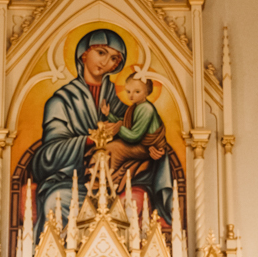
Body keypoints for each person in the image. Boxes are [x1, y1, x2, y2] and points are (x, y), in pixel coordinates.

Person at [28, 30, 172, 237]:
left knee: (133, 203)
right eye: (101, 53)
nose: (106, 62)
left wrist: (154, 151)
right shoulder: (60, 102)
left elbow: (142, 133)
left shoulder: (125, 97)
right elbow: (46, 156)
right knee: (56, 201)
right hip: (73, 182)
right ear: (84, 55)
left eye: (114, 58)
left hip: (119, 181)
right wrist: (89, 140)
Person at [105, 69, 167, 195]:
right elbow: (125, 123)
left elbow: (134, 136)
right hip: (141, 145)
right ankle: (106, 181)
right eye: (128, 91)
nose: (131, 95)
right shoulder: (137, 106)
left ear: (147, 92)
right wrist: (109, 115)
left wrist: (118, 128)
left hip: (144, 147)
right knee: (107, 148)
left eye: (137, 91)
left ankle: (108, 182)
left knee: (112, 148)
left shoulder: (146, 109)